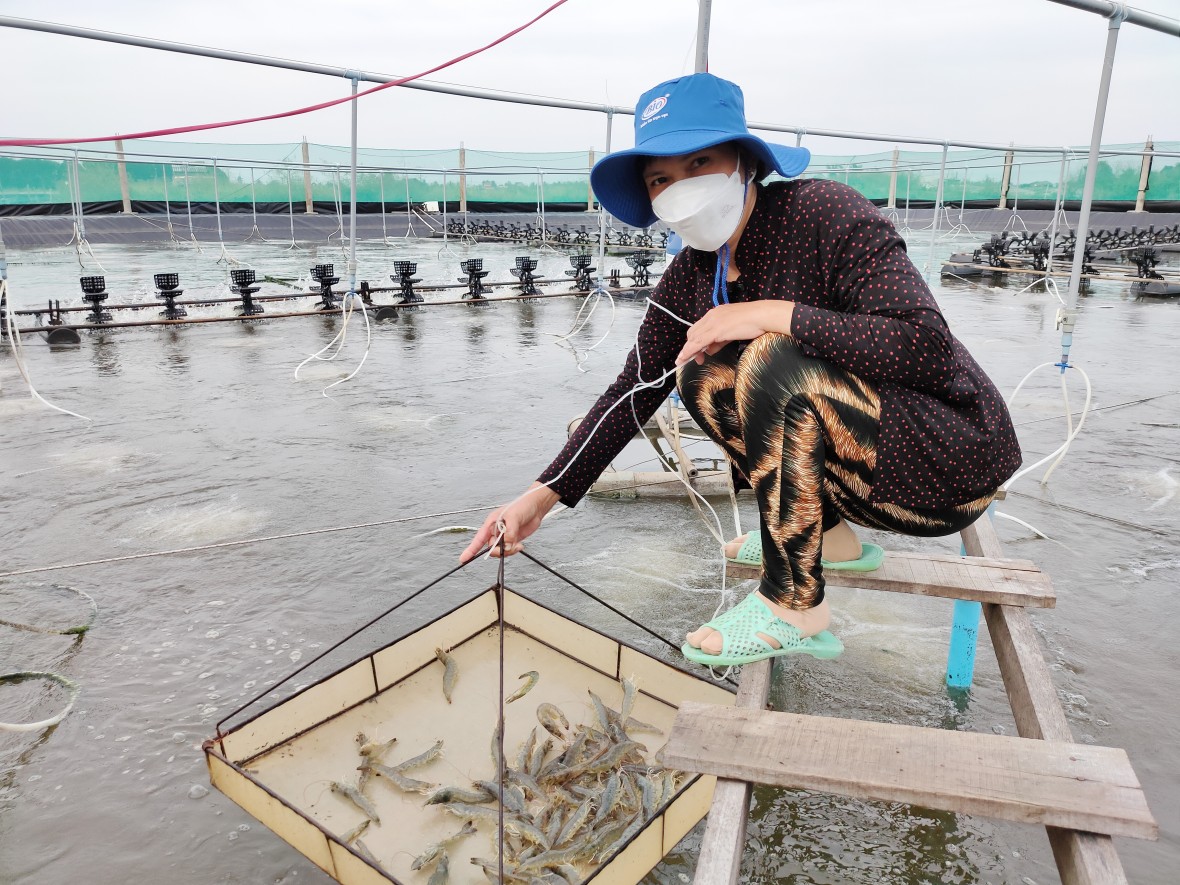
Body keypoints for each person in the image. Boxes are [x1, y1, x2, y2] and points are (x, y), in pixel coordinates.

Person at [461, 72, 1021, 667]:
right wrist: (539, 498)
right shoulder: (693, 276)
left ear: (744, 162)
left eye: (699, 161)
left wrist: (773, 313)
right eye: (660, 179)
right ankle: (827, 538)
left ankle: (794, 603)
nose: (681, 188)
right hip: (866, 477)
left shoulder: (827, 213)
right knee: (693, 371)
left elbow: (925, 346)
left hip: (947, 464)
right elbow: (636, 387)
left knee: (769, 358)